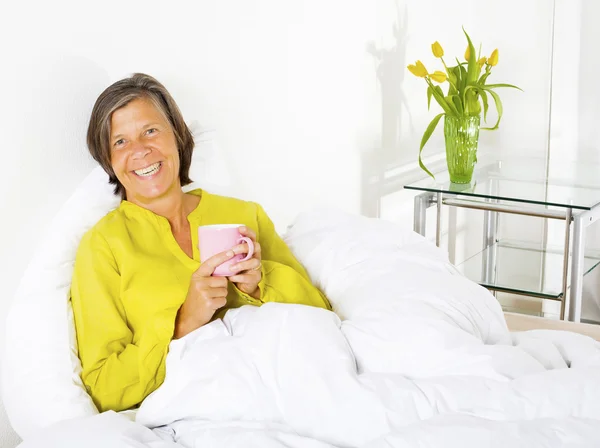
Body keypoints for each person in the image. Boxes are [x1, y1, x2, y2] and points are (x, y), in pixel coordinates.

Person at [70, 73, 331, 413]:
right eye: (120, 142)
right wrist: (182, 323)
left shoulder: (244, 215)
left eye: (150, 131)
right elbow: (105, 388)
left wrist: (258, 285)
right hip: (203, 412)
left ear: (177, 136)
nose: (140, 151)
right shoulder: (103, 246)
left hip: (289, 390)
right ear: (108, 159)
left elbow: (322, 317)